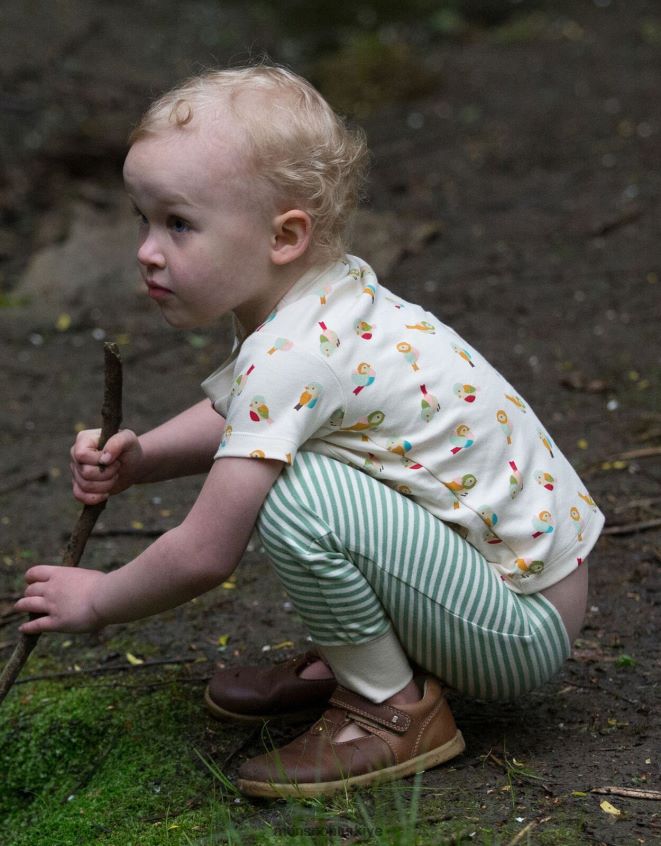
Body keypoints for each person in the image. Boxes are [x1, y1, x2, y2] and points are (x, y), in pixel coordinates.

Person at [15, 65, 604, 799]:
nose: (146, 249)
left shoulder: (294, 354)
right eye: (143, 218)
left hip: (514, 633)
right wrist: (143, 461)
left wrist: (100, 600)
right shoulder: (323, 298)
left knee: (297, 492)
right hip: (517, 595)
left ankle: (389, 707)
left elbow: (205, 552)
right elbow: (246, 415)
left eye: (179, 223)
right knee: (295, 465)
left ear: (284, 235)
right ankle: (371, 659)